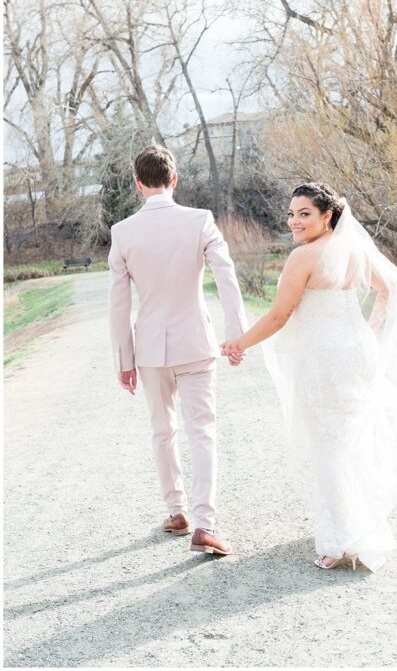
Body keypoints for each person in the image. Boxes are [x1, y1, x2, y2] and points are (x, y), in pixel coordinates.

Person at [221, 183, 397, 572]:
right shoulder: (356, 249)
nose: (294, 221)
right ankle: (354, 520)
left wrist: (240, 343)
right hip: (357, 351)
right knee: (350, 438)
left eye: (304, 214)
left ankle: (343, 539)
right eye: (291, 214)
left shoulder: (303, 257)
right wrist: (368, 326)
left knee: (329, 446)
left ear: (327, 216)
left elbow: (279, 316)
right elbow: (390, 290)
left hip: (324, 358)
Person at [109, 144, 247, 557]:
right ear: (175, 179)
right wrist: (236, 335)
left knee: (162, 431)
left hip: (149, 350)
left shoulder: (123, 232)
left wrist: (124, 360)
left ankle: (177, 511)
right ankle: (205, 523)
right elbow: (227, 276)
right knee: (202, 430)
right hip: (196, 343)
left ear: (138, 183)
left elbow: (118, 302)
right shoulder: (200, 221)